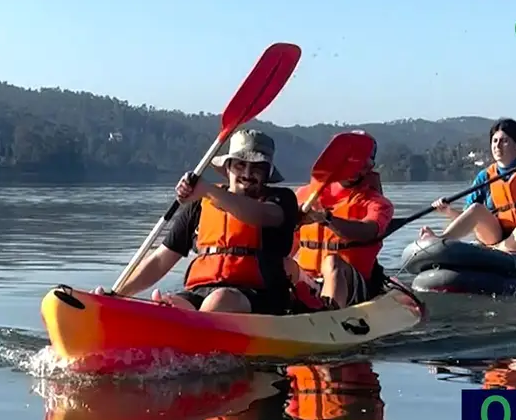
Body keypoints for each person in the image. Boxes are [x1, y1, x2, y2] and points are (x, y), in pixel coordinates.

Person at [93, 129, 299, 314]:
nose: (247, 174)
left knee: (220, 300)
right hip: (201, 293)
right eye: (240, 165)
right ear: (228, 168)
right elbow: (160, 260)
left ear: (267, 173)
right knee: (168, 305)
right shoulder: (200, 205)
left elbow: (257, 215)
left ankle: (197, 333)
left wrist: (207, 189)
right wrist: (117, 294)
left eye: (257, 168)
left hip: (262, 296)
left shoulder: (281, 200)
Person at [287, 131, 394, 310]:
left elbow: (368, 231)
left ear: (370, 167)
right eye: (350, 163)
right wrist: (291, 223)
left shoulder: (378, 203)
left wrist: (327, 219)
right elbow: (289, 246)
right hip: (309, 280)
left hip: (354, 284)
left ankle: (330, 313)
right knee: (282, 262)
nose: (356, 170)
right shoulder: (305, 195)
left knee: (332, 262)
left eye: (363, 165)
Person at [416, 118, 516, 253]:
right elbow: (469, 217)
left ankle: (498, 250)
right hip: (496, 234)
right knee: (476, 208)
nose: (497, 146)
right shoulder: (485, 176)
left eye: (504, 141)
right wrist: (448, 211)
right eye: (495, 141)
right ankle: (441, 241)